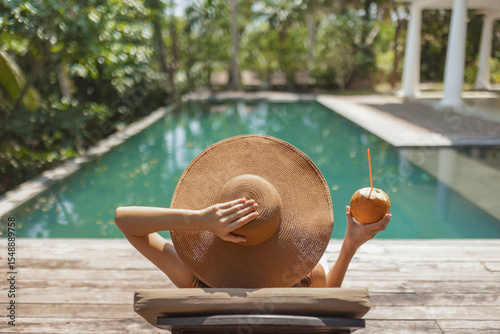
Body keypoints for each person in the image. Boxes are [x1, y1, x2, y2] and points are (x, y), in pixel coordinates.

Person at [115, 197, 391, 288]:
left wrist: (198, 219)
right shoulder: (307, 277)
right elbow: (328, 304)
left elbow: (124, 220)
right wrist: (349, 247)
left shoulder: (195, 280)